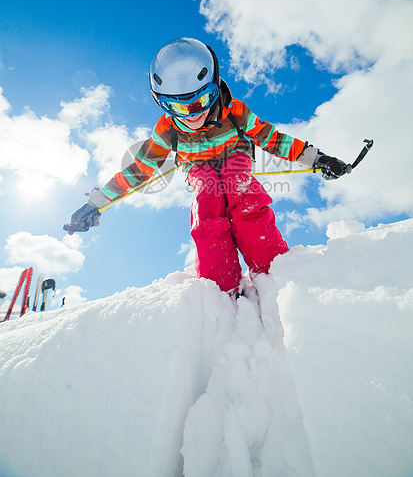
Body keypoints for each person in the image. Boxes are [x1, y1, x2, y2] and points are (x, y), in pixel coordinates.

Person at [64, 38, 347, 296]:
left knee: (237, 184)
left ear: (214, 88)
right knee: (208, 197)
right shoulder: (166, 132)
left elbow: (272, 138)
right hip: (196, 166)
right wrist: (97, 202)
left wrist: (316, 158)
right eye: (177, 107)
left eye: (200, 101)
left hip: (235, 155)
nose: (192, 115)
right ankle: (220, 283)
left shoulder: (235, 111)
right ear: (162, 104)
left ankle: (271, 267)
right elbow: (140, 169)